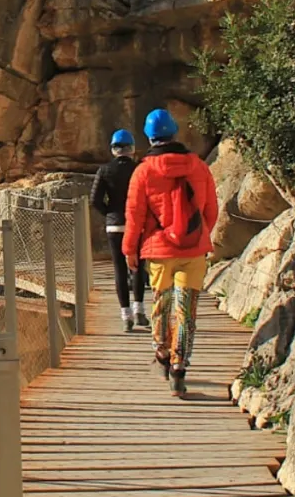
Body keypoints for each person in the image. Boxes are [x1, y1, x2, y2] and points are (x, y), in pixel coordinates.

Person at [121, 109, 219, 397]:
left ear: (150, 138)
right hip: (194, 250)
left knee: (162, 304)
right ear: (175, 132)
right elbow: (211, 210)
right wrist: (198, 235)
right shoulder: (199, 166)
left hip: (160, 249)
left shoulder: (144, 171)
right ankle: (180, 368)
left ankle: (162, 355)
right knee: (185, 310)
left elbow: (134, 214)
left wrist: (130, 249)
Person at [91, 129, 147, 332]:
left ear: (113, 149)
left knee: (119, 268)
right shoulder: (139, 169)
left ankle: (126, 315)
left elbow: (94, 200)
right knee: (138, 266)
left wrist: (109, 213)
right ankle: (140, 310)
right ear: (131, 149)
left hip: (114, 225)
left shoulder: (104, 170)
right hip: (137, 224)